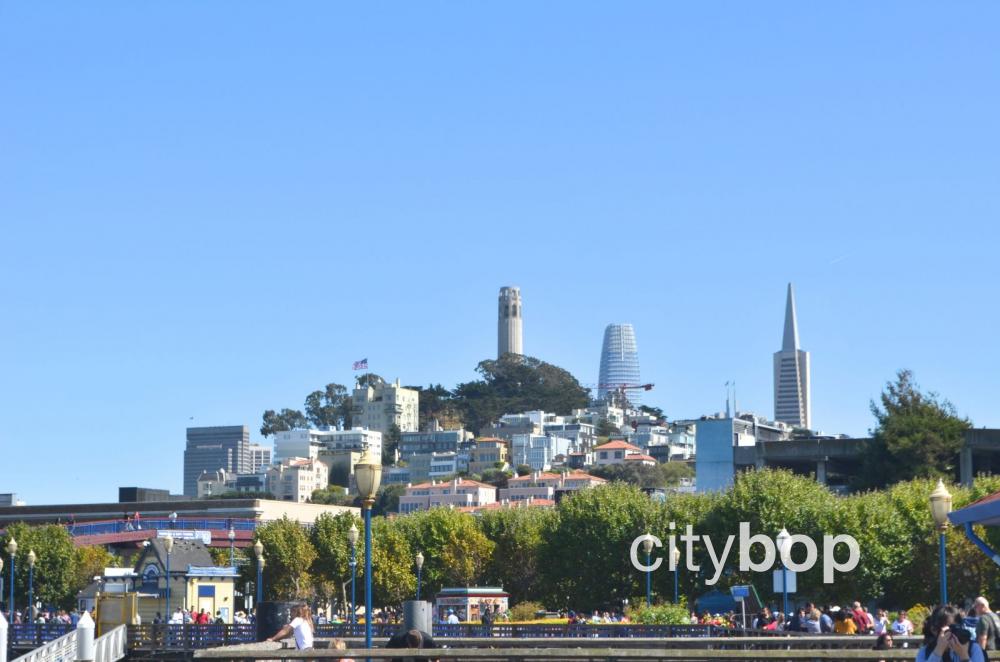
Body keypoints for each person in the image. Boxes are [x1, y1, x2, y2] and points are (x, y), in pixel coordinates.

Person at [916, 604, 986, 662]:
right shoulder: (925, 651)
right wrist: (938, 651)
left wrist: (964, 657)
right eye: (950, 629)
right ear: (934, 630)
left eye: (956, 628)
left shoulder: (973, 648)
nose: (954, 633)